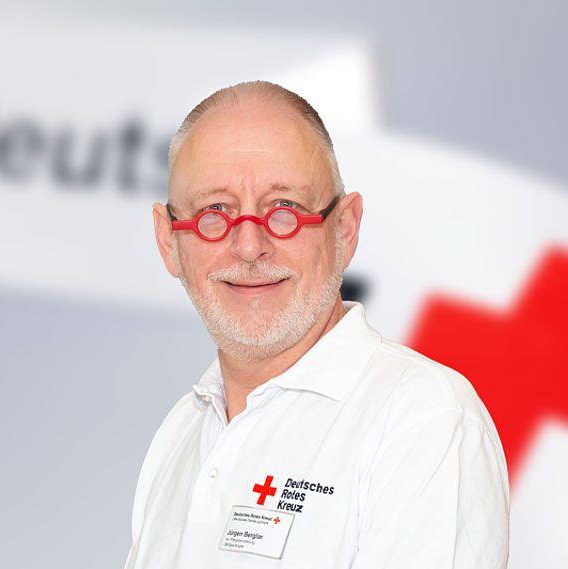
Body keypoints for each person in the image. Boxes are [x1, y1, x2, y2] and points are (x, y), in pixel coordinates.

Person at [124, 81, 509, 568]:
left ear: (344, 228)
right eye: (214, 212)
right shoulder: (181, 432)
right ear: (168, 242)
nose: (250, 246)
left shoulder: (423, 421)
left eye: (284, 208)